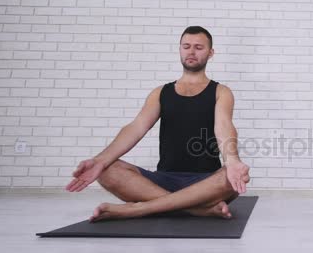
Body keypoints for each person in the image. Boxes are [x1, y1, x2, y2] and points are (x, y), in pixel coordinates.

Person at [66, 26, 250, 222]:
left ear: (210, 53)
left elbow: (223, 126)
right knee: (107, 170)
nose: (191, 51)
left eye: (198, 47)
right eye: (186, 46)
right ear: (179, 49)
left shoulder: (221, 91)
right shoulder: (160, 92)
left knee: (234, 176)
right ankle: (197, 210)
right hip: (162, 181)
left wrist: (232, 161)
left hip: (205, 182)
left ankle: (138, 209)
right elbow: (136, 128)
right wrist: (100, 160)